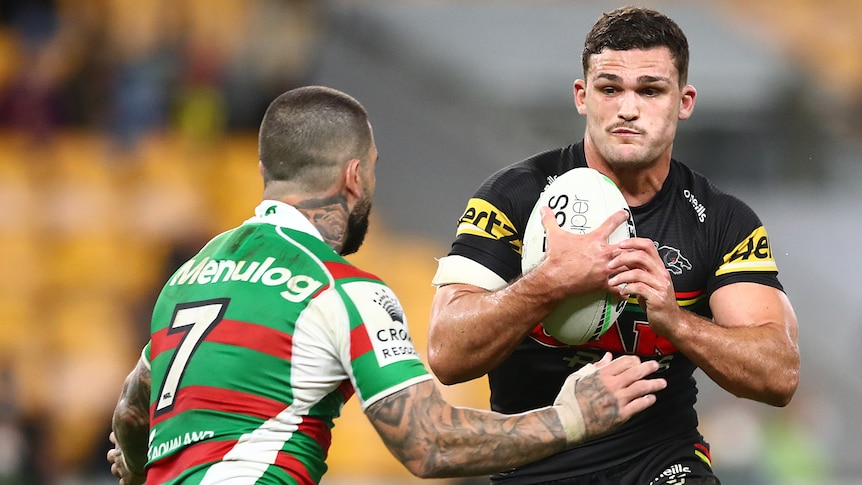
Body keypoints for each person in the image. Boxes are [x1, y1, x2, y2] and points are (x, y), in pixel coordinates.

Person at [106, 85, 667, 485]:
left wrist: (137, 471)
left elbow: (133, 409)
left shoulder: (190, 276)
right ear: (353, 176)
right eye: (372, 168)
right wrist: (571, 419)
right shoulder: (342, 290)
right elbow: (428, 443)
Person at [427, 6, 800, 485]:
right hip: (532, 465)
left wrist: (675, 320)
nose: (628, 109)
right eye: (610, 89)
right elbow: (446, 352)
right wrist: (549, 281)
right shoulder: (513, 197)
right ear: (582, 96)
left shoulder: (722, 220)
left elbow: (780, 374)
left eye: (650, 90)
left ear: (684, 101)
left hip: (662, 460)